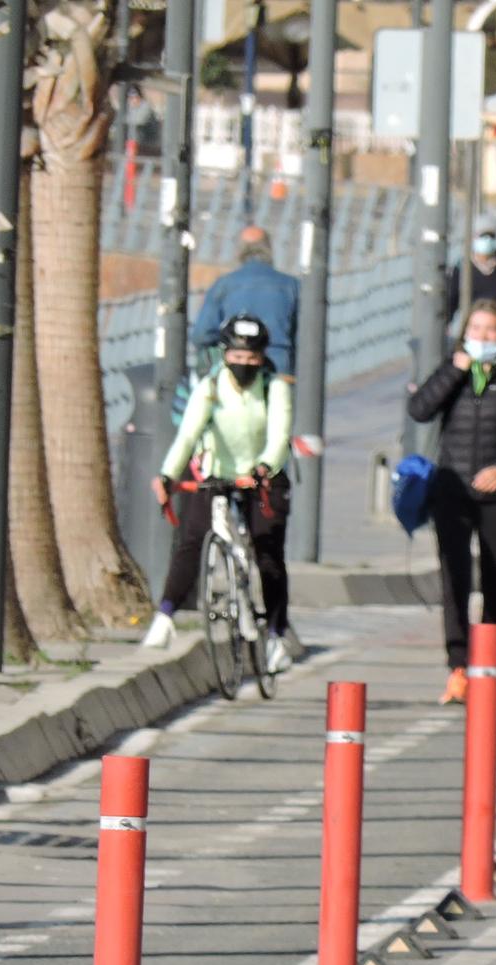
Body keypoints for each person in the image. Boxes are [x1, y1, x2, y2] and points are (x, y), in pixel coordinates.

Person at [406, 301, 496, 704]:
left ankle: (488, 665)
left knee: (495, 579)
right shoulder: (455, 371)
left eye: (490, 330)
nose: (482, 337)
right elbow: (420, 409)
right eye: (476, 328)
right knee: (455, 580)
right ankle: (459, 666)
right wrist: (456, 370)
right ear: (464, 333)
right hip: (452, 492)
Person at [143, 315, 295, 670]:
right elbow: (188, 434)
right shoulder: (210, 387)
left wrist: (261, 470)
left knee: (267, 550)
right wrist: (167, 474)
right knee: (191, 538)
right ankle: (165, 615)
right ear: (225, 354)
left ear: (262, 357)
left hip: (262, 476)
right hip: (216, 474)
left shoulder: (275, 388)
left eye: (252, 359)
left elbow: (279, 438)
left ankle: (276, 634)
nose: (244, 365)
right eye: (237, 358)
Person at [190, 225, 299, 381]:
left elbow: (202, 335)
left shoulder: (224, 285)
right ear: (269, 249)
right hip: (279, 364)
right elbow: (305, 336)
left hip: (234, 366)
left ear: (239, 251)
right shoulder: (291, 285)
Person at [445, 213, 496, 332]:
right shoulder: (462, 267)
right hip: (472, 328)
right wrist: (446, 325)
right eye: (482, 236)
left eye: (491, 236)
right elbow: (452, 300)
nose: (487, 240)